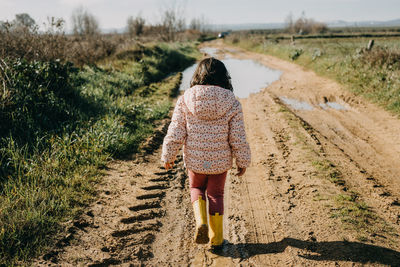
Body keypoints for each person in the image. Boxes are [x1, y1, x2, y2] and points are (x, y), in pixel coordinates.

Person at [161, 57, 251, 248]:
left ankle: (200, 221)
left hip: (195, 161)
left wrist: (168, 155)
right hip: (219, 162)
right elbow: (238, 137)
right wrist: (242, 161)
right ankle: (216, 238)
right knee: (216, 195)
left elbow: (176, 130)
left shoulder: (185, 99)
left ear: (197, 77)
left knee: (196, 189)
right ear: (224, 78)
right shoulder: (232, 103)